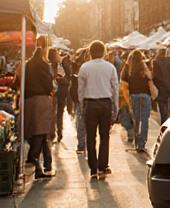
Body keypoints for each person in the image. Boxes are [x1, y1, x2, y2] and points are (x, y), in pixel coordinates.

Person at [77, 40, 120, 180]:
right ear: (104, 52)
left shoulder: (84, 67)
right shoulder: (110, 67)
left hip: (90, 103)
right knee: (104, 136)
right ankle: (103, 165)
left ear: (90, 52)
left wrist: (81, 103)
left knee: (90, 137)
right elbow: (115, 87)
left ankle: (93, 168)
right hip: (106, 103)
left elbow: (81, 89)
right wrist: (116, 105)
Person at [22, 45, 55, 179]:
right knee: (41, 132)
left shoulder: (28, 66)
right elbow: (49, 85)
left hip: (29, 100)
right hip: (42, 101)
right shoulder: (44, 67)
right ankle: (34, 158)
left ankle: (44, 164)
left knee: (37, 132)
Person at [121, 51, 154, 155]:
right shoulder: (145, 65)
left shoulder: (127, 67)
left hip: (134, 95)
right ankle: (142, 144)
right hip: (146, 95)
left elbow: (123, 80)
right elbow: (151, 77)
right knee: (145, 120)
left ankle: (137, 140)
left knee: (136, 119)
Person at [152, 47, 170, 122]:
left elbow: (155, 75)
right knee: (169, 105)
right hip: (169, 86)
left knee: (162, 105)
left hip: (160, 87)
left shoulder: (155, 61)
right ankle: (168, 120)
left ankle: (163, 121)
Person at [50, 48, 68, 144]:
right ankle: (59, 132)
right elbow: (63, 76)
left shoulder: (47, 66)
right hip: (61, 90)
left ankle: (52, 132)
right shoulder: (59, 65)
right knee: (60, 112)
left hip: (52, 91)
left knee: (52, 111)